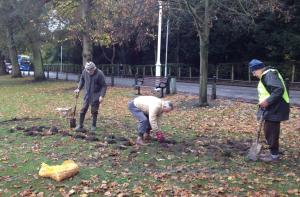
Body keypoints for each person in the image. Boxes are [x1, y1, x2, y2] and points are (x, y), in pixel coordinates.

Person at [249, 59, 290, 162]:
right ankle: (273, 154)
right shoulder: (266, 76)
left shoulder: (269, 75)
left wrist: (267, 102)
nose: (254, 75)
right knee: (269, 131)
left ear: (259, 69)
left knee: (271, 132)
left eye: (254, 72)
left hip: (275, 108)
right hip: (272, 108)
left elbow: (278, 89)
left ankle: (274, 156)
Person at [74, 61, 107, 132]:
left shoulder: (99, 74)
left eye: (90, 70)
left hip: (96, 95)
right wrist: (78, 88)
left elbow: (104, 86)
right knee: (83, 109)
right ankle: (80, 125)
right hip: (87, 94)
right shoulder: (85, 71)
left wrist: (101, 96)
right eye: (87, 70)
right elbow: (82, 80)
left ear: (94, 69)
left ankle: (93, 126)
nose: (88, 72)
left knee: (94, 111)